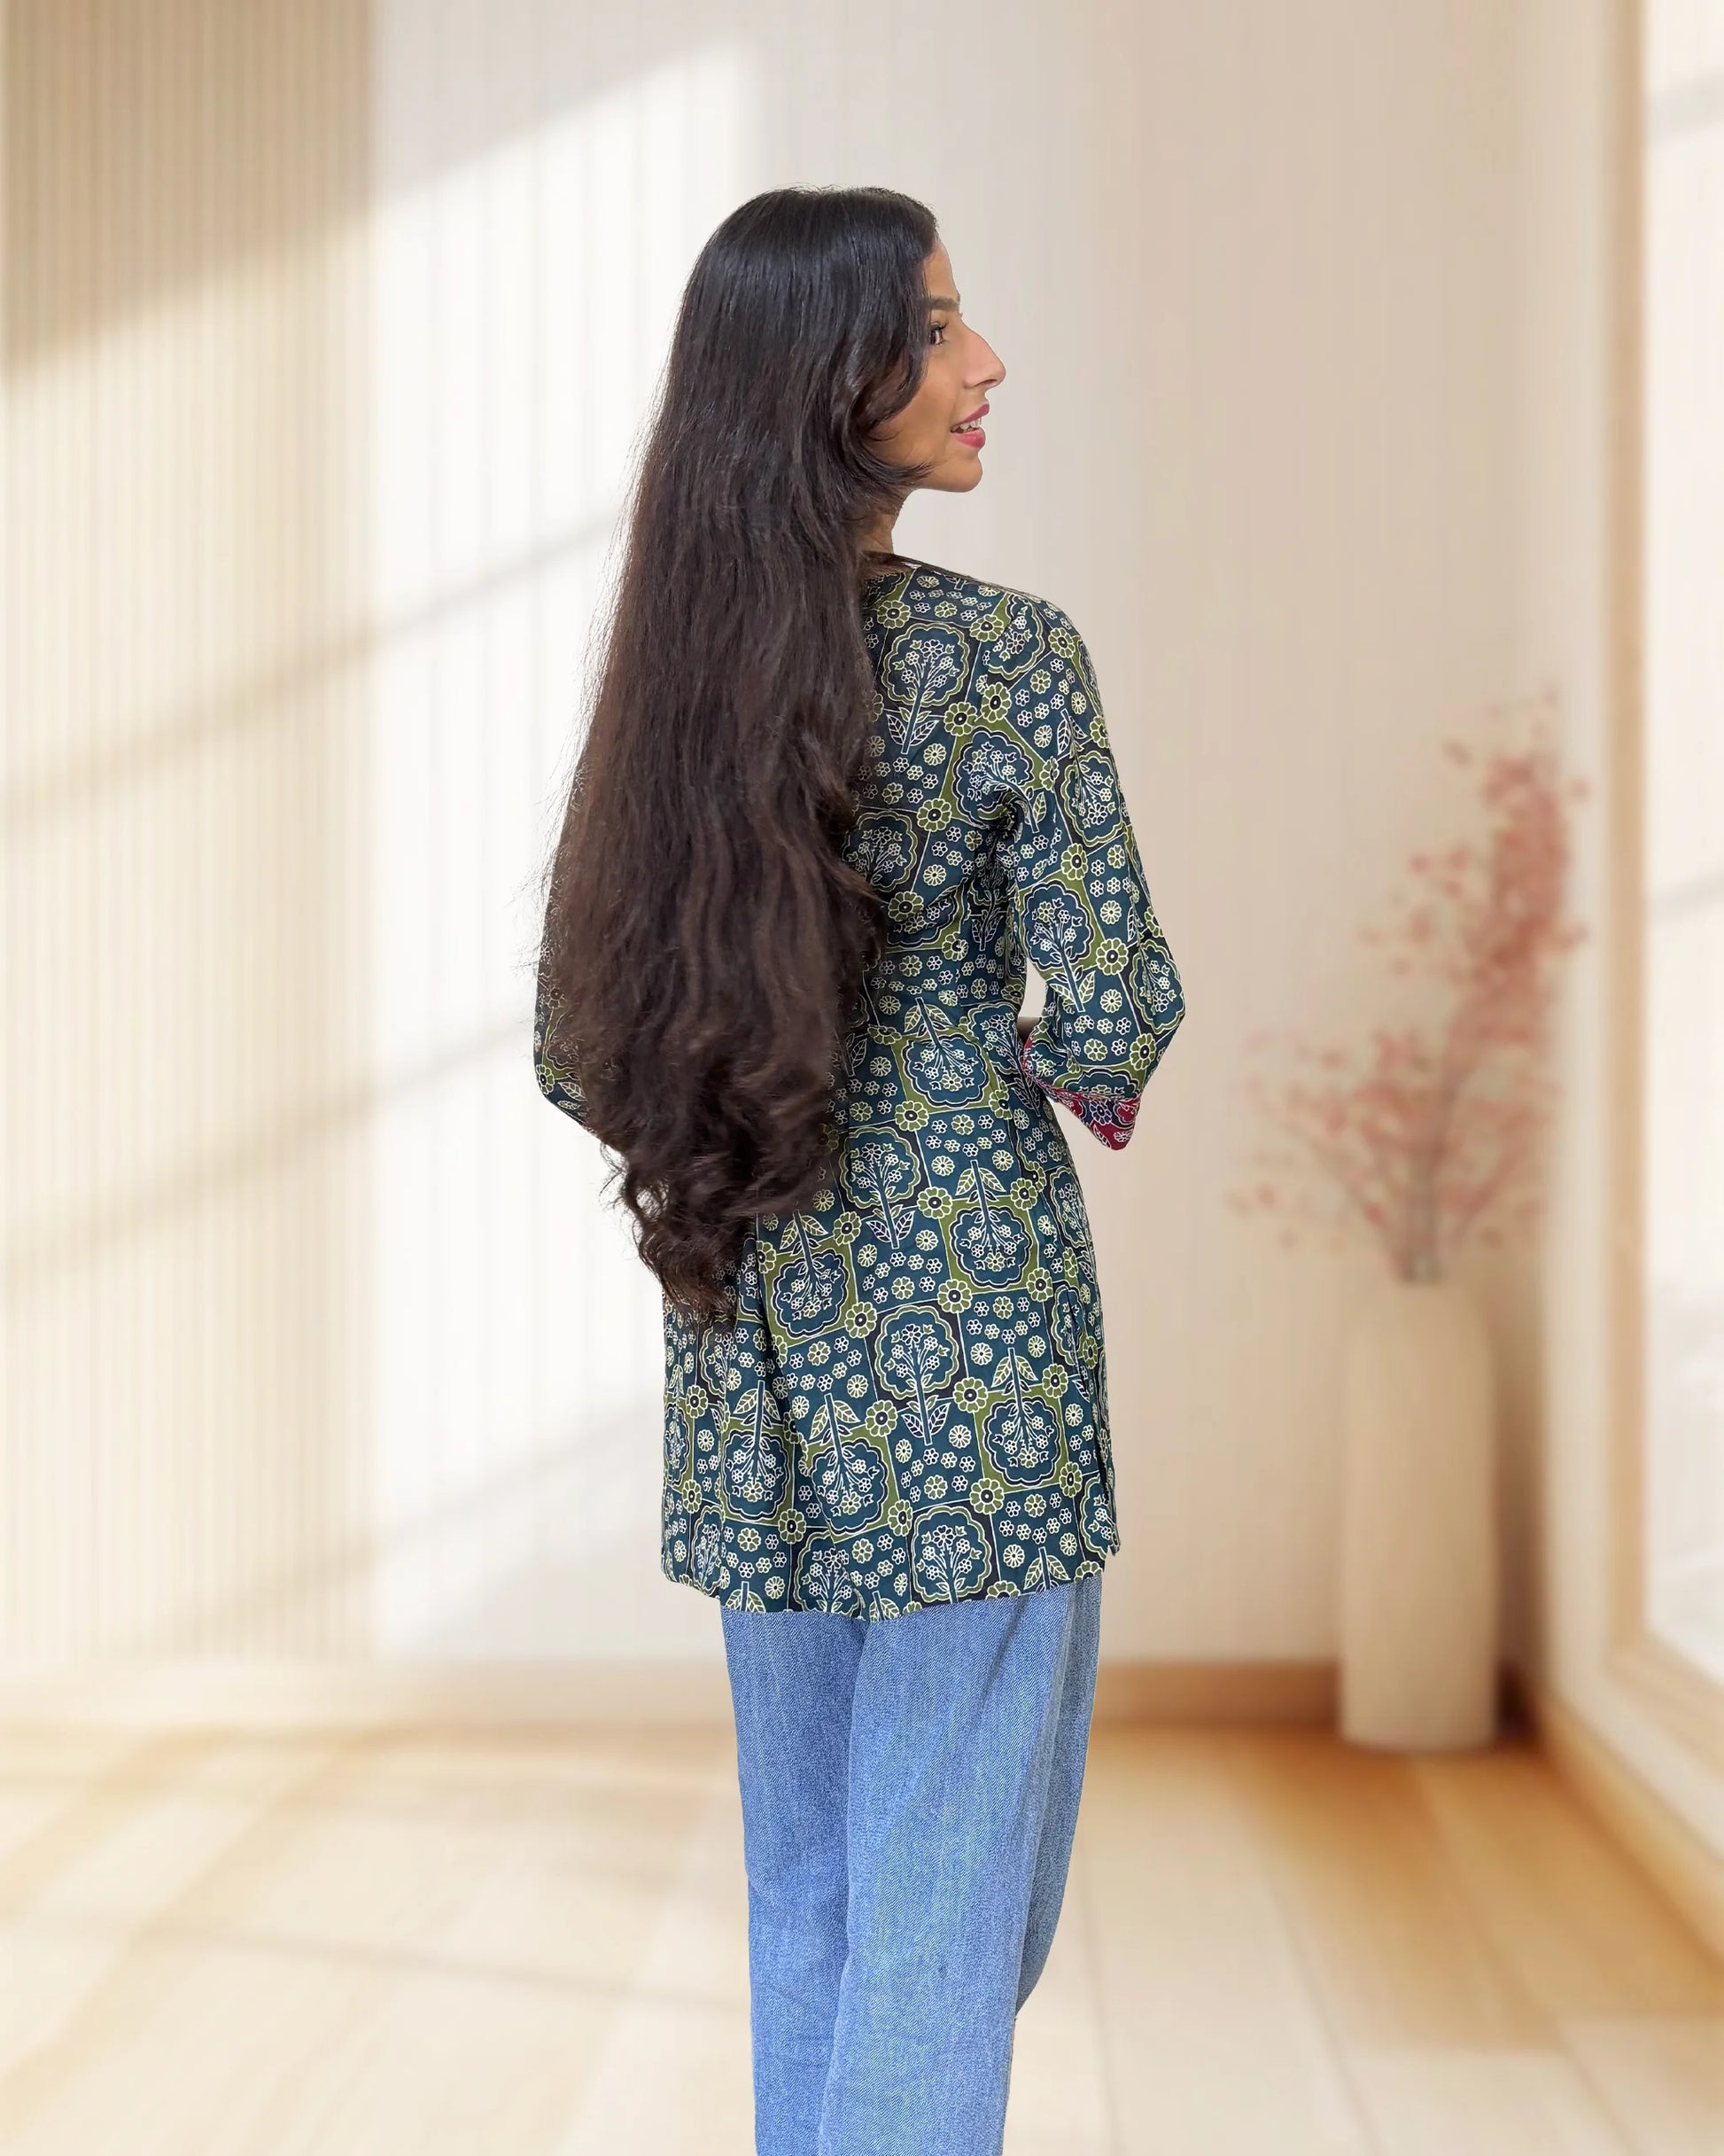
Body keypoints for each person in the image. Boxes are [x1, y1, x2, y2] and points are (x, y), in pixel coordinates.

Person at [532, 184, 1185, 2156]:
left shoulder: (670, 682)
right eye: (935, 327)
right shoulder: (1009, 660)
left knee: (810, 1893)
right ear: (830, 382)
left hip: (753, 1332)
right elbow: (1118, 1008)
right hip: (979, 1352)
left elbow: (576, 1045)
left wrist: (754, 1098)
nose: (983, 364)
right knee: (947, 1913)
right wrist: (1004, 1079)